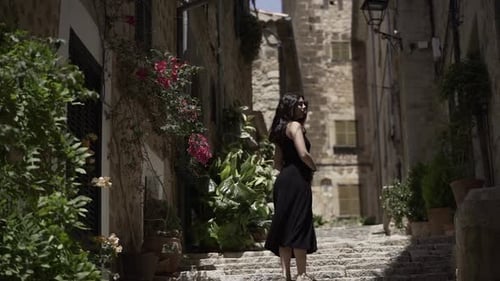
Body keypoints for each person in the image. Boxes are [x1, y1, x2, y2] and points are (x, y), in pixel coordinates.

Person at [265, 93, 317, 281]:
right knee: (299, 224)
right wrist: (314, 167)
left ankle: (285, 275)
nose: (303, 107)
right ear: (290, 106)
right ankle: (302, 274)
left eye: (304, 104)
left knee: (285, 225)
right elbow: (303, 154)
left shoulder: (279, 130)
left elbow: (277, 163)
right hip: (297, 179)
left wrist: (277, 183)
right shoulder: (295, 126)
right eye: (299, 104)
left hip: (283, 180)